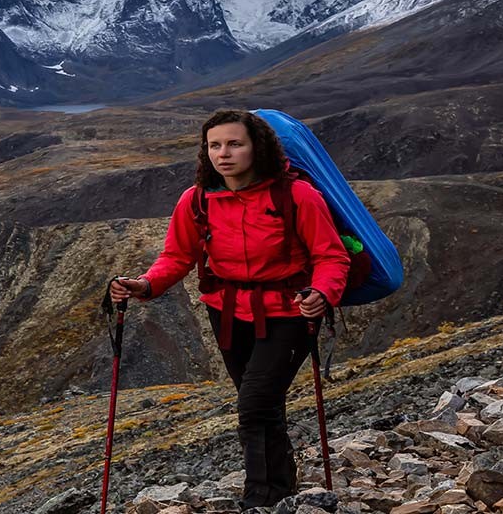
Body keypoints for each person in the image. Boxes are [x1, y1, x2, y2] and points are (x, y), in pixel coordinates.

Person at [109, 109, 350, 509]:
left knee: (254, 403)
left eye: (235, 144)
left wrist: (322, 293)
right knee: (261, 403)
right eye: (215, 145)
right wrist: (146, 284)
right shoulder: (198, 199)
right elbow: (177, 256)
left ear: (258, 147)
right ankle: (281, 487)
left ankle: (262, 499)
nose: (224, 153)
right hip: (226, 313)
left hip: (290, 313)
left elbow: (332, 257)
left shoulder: (297, 196)